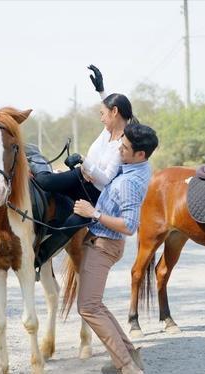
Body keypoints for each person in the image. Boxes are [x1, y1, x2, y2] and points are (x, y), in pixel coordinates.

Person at [34, 65, 138, 269]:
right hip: (79, 177)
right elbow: (112, 107)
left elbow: (106, 179)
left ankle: (37, 259)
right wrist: (101, 90)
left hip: (93, 194)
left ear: (114, 113)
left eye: (103, 114)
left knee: (72, 224)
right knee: (44, 180)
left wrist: (83, 160)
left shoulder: (124, 143)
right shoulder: (108, 131)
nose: (101, 118)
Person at [73, 123, 158, 374]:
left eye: (125, 147)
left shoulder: (130, 183)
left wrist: (94, 213)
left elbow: (130, 226)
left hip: (104, 245)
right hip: (102, 242)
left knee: (88, 307)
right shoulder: (137, 165)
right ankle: (129, 355)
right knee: (95, 303)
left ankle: (128, 367)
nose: (119, 149)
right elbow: (119, 120)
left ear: (140, 154)